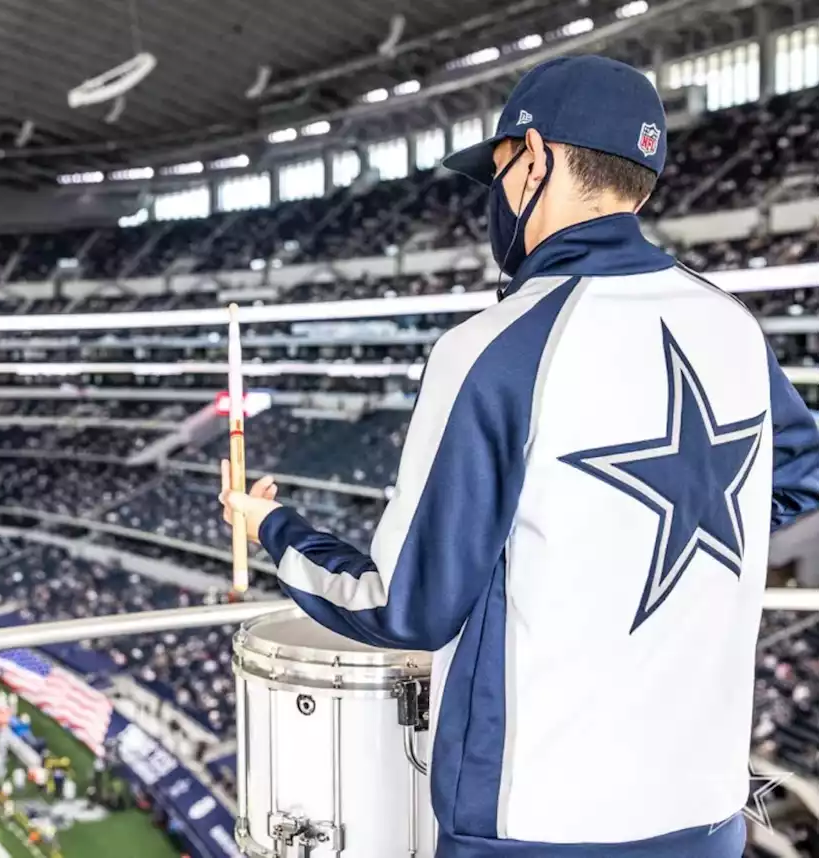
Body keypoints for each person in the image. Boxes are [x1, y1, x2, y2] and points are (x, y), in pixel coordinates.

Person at [219, 55, 820, 858]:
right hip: (706, 812)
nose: (494, 198)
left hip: (538, 822)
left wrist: (276, 529)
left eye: (497, 171)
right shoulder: (732, 325)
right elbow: (799, 475)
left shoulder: (495, 347)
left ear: (533, 158)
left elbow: (405, 607)